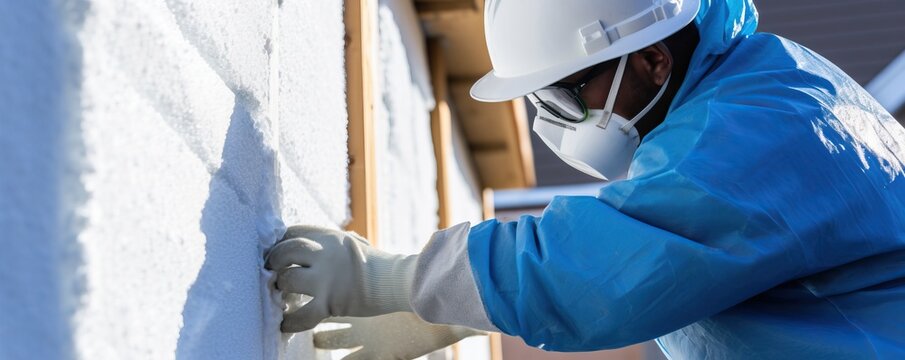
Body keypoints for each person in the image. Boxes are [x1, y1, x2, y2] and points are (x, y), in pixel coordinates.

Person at [265, 0, 905, 358]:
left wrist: (397, 282)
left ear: (653, 59)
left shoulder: (761, 128)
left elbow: (606, 267)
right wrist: (461, 314)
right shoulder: (752, 92)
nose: (551, 124)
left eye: (564, 97)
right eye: (536, 103)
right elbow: (663, 265)